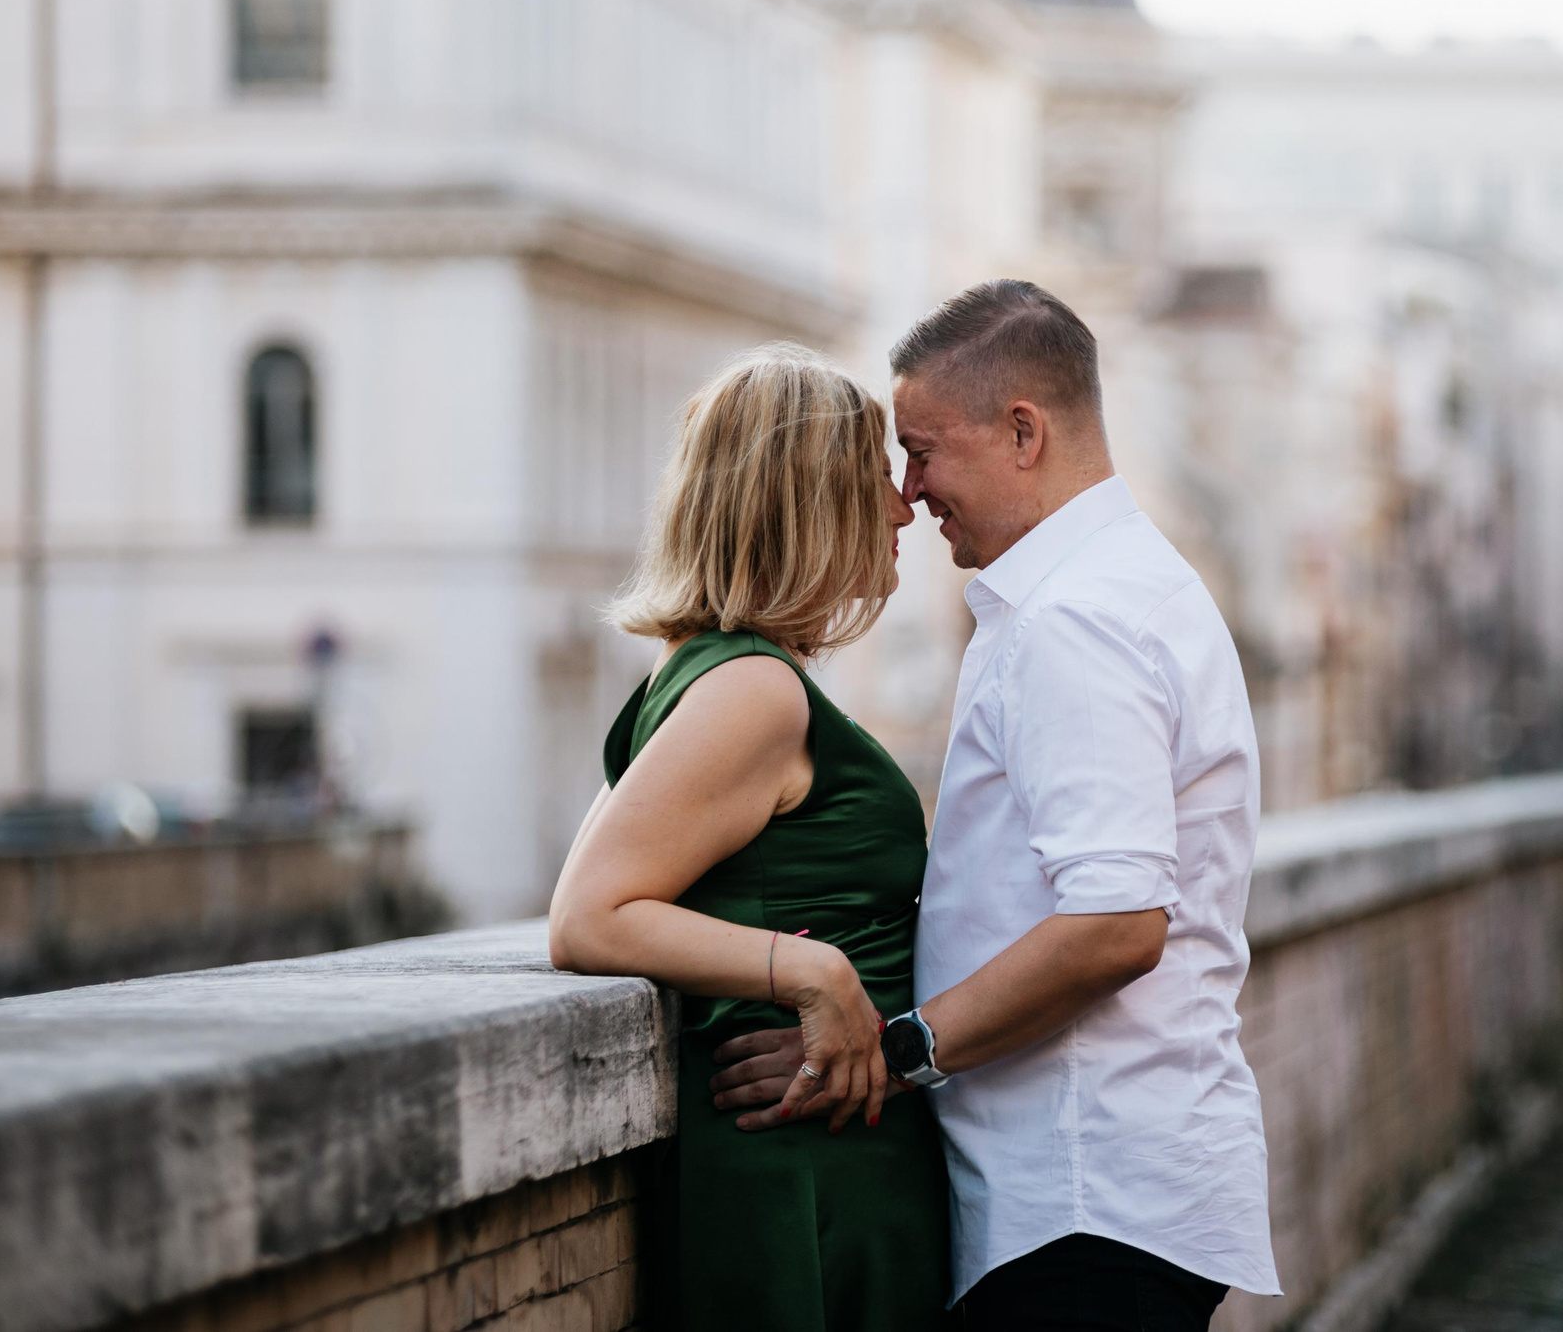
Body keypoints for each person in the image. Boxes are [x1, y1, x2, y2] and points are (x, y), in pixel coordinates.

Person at [710, 281, 1281, 1330]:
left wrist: (886, 1051)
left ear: (1023, 432)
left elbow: (1114, 925)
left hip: (1083, 1197)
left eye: (923, 450)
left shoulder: (1077, 621)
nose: (909, 490)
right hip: (1100, 1192)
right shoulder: (1113, 588)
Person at [548, 342, 950, 1332]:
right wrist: (817, 976)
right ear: (806, 501)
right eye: (874, 481)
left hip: (818, 1146)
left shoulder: (708, 672)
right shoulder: (753, 693)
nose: (904, 509)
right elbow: (589, 916)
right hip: (806, 1171)